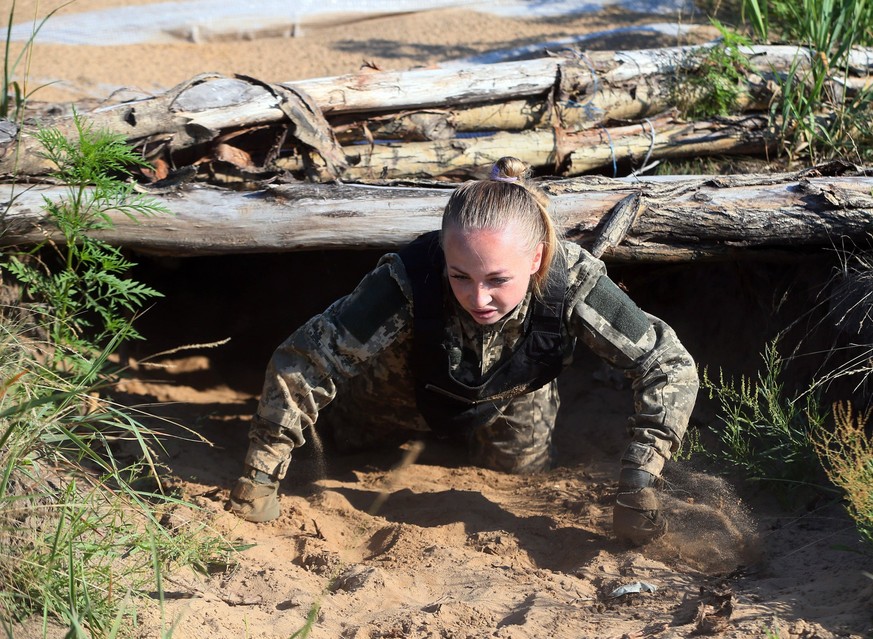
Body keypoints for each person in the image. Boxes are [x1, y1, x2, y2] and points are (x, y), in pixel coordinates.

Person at [227, 156, 699, 546]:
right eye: (461, 277)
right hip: (395, 395)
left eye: (497, 280)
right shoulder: (409, 276)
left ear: (535, 260)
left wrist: (641, 478)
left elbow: (668, 364)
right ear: (443, 258)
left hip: (512, 397)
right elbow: (305, 361)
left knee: (522, 477)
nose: (478, 298)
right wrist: (260, 475)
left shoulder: (571, 279)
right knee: (338, 443)